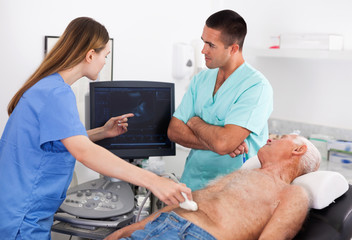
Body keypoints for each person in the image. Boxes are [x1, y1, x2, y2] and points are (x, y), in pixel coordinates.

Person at [0, 17, 192, 239]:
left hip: (18, 210)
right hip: (22, 218)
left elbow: (57, 140)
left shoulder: (46, 87)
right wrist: (154, 181)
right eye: (105, 56)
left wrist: (103, 132)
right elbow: (84, 152)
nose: (104, 62)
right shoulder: (57, 93)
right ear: (90, 55)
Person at [105, 134, 321, 240]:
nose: (271, 138)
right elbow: (181, 206)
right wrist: (124, 231)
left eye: (281, 138)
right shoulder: (243, 175)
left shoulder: (293, 193)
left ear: (298, 150)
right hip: (158, 227)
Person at [168, 10, 274, 191]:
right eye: (203, 42)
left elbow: (224, 143)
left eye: (211, 45)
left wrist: (194, 121)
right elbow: (174, 131)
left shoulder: (256, 87)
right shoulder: (201, 79)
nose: (203, 50)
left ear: (233, 49)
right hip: (192, 186)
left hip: (233, 193)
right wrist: (218, 143)